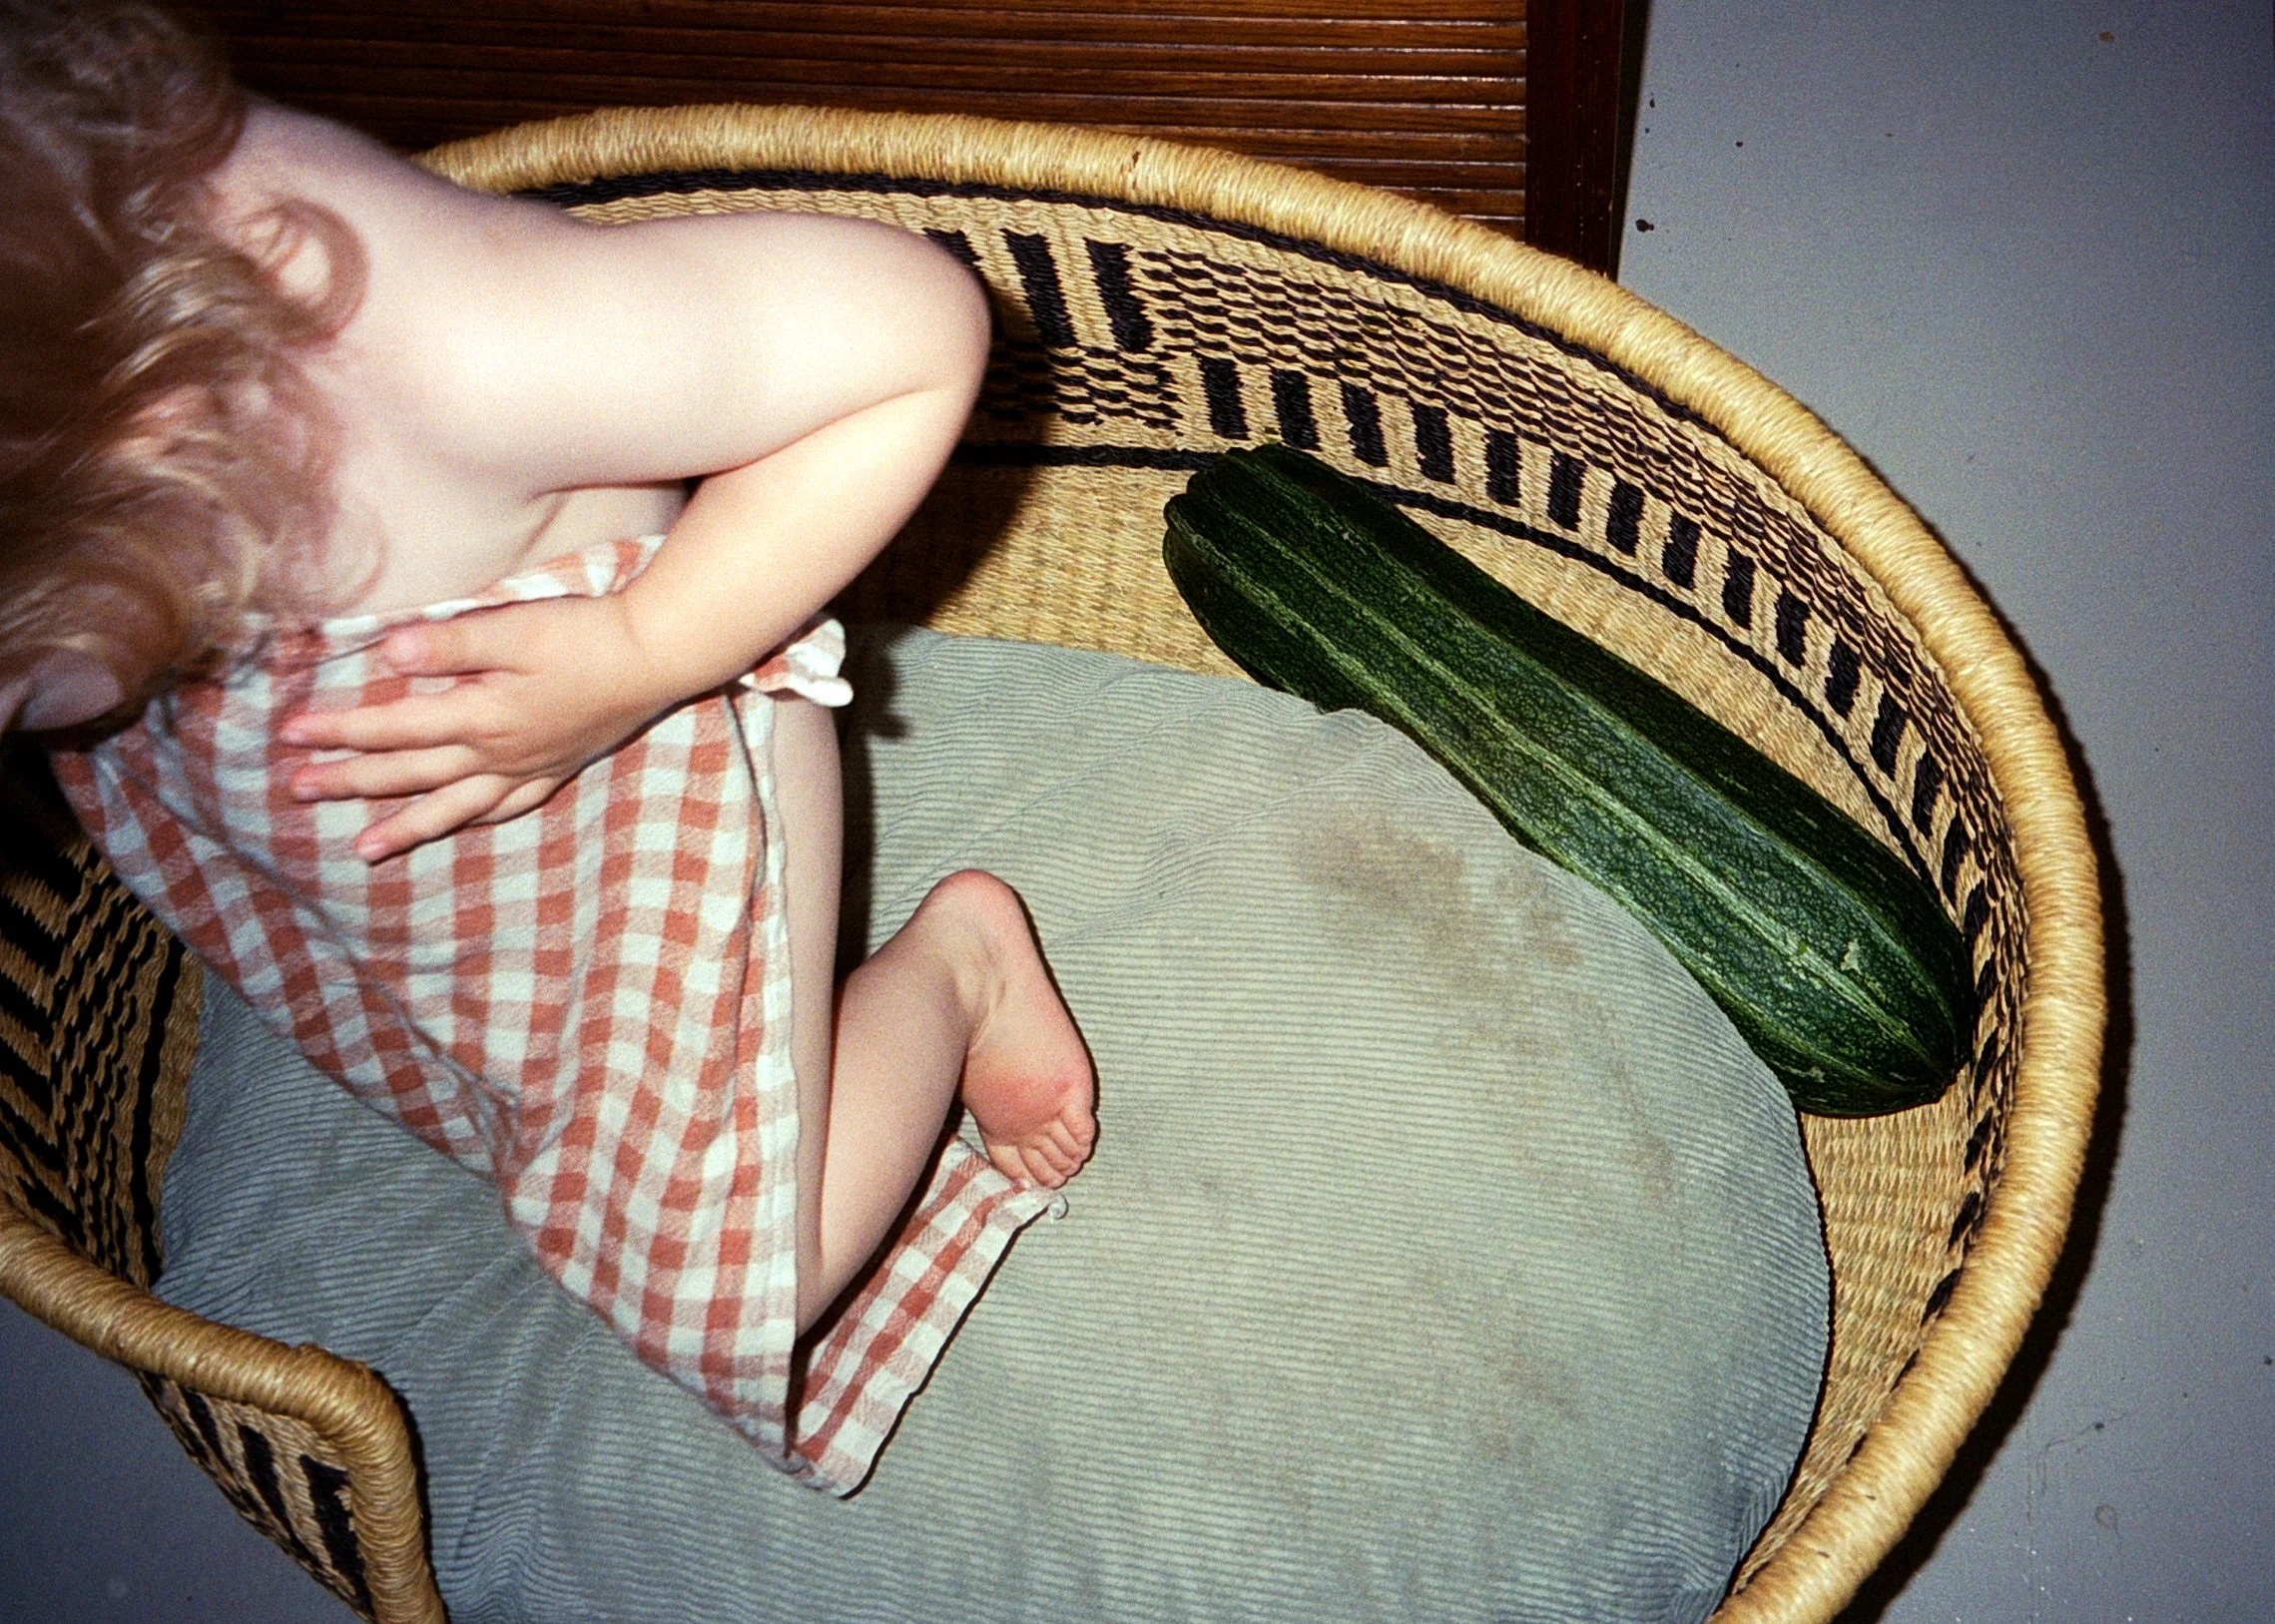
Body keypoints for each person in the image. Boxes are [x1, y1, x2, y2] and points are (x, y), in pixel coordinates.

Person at [1, 0, 1094, 1490]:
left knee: (728, 1285)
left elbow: (909, 334)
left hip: (626, 780)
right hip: (386, 835)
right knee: (433, 1048)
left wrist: (638, 654)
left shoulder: (415, 344)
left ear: (130, 436)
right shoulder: (82, 407)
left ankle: (955, 968)